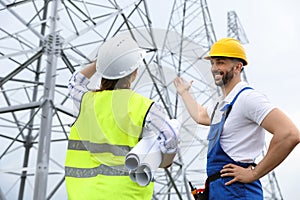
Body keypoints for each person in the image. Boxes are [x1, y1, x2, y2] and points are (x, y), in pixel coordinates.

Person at [173, 37, 300, 199]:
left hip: (238, 191)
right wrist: (184, 93)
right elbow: (202, 115)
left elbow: (289, 134)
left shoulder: (248, 98)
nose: (214, 68)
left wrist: (254, 173)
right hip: (220, 190)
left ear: (238, 67)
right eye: (212, 63)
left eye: (220, 62)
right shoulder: (223, 104)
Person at [64, 34, 179, 200]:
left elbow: (75, 81)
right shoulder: (144, 107)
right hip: (125, 194)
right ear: (134, 72)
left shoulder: (85, 101)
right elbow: (171, 137)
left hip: (81, 194)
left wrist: (102, 62)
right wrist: (166, 161)